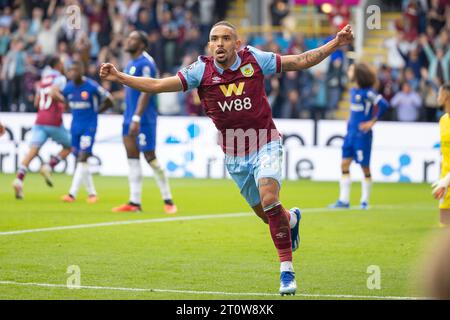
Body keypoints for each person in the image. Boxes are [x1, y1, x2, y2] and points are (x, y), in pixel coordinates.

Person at [99, 21, 354, 295]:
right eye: (214, 39)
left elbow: (300, 61)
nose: (219, 43)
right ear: (210, 45)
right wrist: (119, 76)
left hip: (265, 141)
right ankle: (290, 220)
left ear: (237, 43)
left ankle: (286, 272)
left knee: (269, 200)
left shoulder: (254, 59)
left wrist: (335, 43)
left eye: (225, 38)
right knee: (268, 216)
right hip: (233, 152)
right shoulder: (201, 70)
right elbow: (159, 85)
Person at [112, 30, 177, 214]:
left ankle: (168, 200)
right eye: (128, 37)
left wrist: (137, 117)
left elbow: (147, 91)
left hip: (143, 119)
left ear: (141, 44)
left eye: (132, 39)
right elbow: (131, 92)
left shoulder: (146, 63)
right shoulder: (131, 63)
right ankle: (134, 202)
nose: (128, 40)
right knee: (132, 159)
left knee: (150, 158)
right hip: (128, 117)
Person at [330, 63, 389, 210]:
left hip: (362, 136)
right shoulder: (353, 91)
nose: (348, 72)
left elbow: (384, 104)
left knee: (365, 167)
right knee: (344, 164)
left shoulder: (368, 92)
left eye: (350, 70)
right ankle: (343, 200)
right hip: (350, 134)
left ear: (357, 74)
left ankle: (364, 201)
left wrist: (371, 122)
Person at [12, 56, 71, 199]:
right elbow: (54, 93)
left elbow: (37, 102)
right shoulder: (60, 78)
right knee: (71, 146)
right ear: (58, 65)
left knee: (32, 152)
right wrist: (65, 102)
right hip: (53, 120)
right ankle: (49, 166)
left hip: (40, 119)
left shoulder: (44, 79)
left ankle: (19, 180)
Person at [60, 61, 114, 203]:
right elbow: (65, 103)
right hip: (75, 127)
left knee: (83, 157)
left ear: (82, 71)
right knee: (80, 160)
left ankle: (72, 194)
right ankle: (92, 194)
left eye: (75, 70)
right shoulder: (68, 88)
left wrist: (96, 113)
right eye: (70, 71)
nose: (72, 73)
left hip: (89, 127)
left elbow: (110, 100)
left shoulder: (91, 86)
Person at [432, 84, 450, 227]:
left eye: (439, 93)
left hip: (447, 180)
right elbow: (444, 153)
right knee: (444, 223)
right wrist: (442, 180)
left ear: (446, 97)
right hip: (446, 180)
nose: (437, 97)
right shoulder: (443, 120)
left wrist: (445, 181)